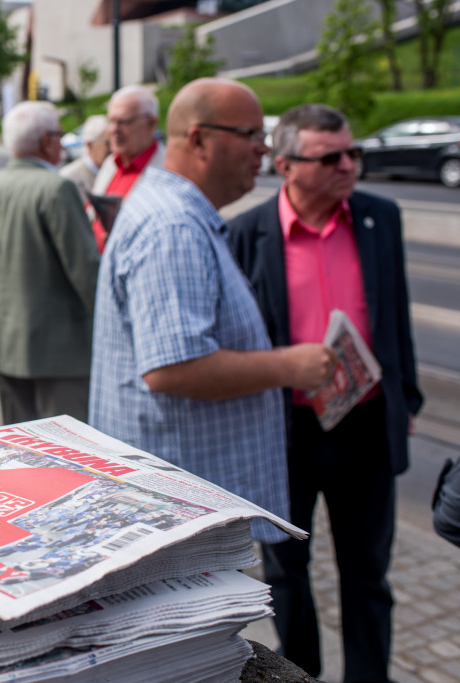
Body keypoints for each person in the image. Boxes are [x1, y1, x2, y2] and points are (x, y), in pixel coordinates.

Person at [88, 78, 335, 545]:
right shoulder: (173, 225)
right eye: (251, 135)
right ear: (199, 139)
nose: (263, 149)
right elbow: (173, 368)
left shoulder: (175, 212)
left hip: (183, 503)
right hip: (183, 514)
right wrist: (290, 366)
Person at [228, 104, 423, 683]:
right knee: (287, 573)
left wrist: (405, 399)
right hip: (286, 430)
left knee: (367, 575)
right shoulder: (246, 233)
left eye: (353, 152)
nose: (349, 165)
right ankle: (302, 676)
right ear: (286, 165)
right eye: (331, 156)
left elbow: (396, 318)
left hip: (364, 423)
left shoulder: (378, 217)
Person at [0, 101, 99, 423]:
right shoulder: (58, 189)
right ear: (46, 141)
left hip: (7, 346)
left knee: (22, 451)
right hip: (62, 354)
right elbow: (86, 271)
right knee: (69, 454)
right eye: (58, 135)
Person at [87, 85, 165, 252]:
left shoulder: (166, 170)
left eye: (123, 122)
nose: (114, 130)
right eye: (111, 121)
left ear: (151, 123)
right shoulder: (111, 164)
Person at [59, 114, 109, 203]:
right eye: (108, 143)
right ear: (90, 145)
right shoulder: (68, 179)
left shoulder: (113, 170)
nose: (113, 148)